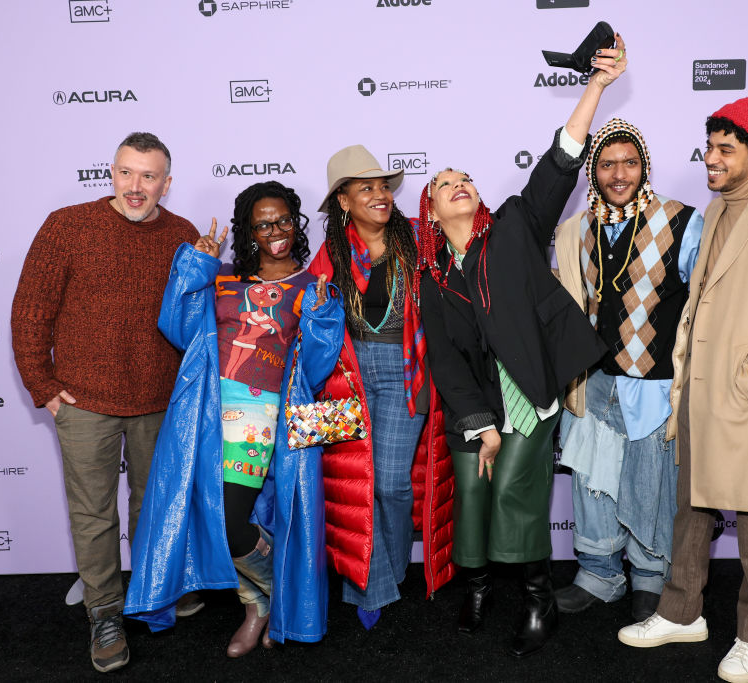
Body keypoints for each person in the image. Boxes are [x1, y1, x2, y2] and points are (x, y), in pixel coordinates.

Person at [416, 36, 628, 657]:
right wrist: (478, 425)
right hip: (474, 405)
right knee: (474, 488)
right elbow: (446, 358)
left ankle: (538, 599)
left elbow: (559, 163)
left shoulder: (513, 226)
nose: (458, 184)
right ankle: (477, 586)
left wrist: (595, 87)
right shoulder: (432, 278)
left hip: (531, 394)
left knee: (511, 485)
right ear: (429, 210)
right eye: (444, 182)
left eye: (465, 178)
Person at [617, 86, 748, 683]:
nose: (710, 158)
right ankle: (682, 613)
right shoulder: (715, 210)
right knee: (692, 509)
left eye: (725, 149)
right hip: (701, 393)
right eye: (708, 147)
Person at [124, 182, 341, 655]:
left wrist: (322, 319)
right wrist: (197, 265)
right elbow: (178, 328)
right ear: (247, 231)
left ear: (297, 222)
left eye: (283, 220)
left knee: (229, 519)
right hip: (202, 411)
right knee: (201, 508)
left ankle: (275, 595)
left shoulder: (311, 285)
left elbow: (318, 370)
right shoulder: (220, 277)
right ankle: (257, 602)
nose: (276, 232)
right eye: (262, 224)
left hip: (259, 415)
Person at [11, 132, 200, 673]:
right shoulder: (67, 225)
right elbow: (30, 312)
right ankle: (104, 611)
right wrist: (42, 386)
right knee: (93, 513)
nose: (135, 187)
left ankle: (155, 587)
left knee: (153, 505)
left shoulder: (183, 234)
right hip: (84, 399)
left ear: (167, 182)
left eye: (148, 176)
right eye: (125, 173)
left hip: (159, 399)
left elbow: (194, 319)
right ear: (111, 173)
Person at [552, 119, 703, 622]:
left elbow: (708, 299)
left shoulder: (682, 221)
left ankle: (649, 576)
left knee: (652, 483)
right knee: (593, 480)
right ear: (593, 171)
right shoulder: (577, 227)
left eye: (630, 163)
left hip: (655, 386)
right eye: (608, 163)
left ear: (645, 167)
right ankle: (599, 574)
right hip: (594, 384)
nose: (620, 174)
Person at [308, 147, 455, 630]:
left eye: (383, 186)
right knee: (355, 486)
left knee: (391, 485)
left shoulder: (416, 241)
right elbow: (309, 319)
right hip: (344, 376)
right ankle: (370, 587)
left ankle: (383, 577)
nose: (380, 195)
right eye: (366, 188)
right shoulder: (330, 252)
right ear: (344, 201)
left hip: (403, 369)